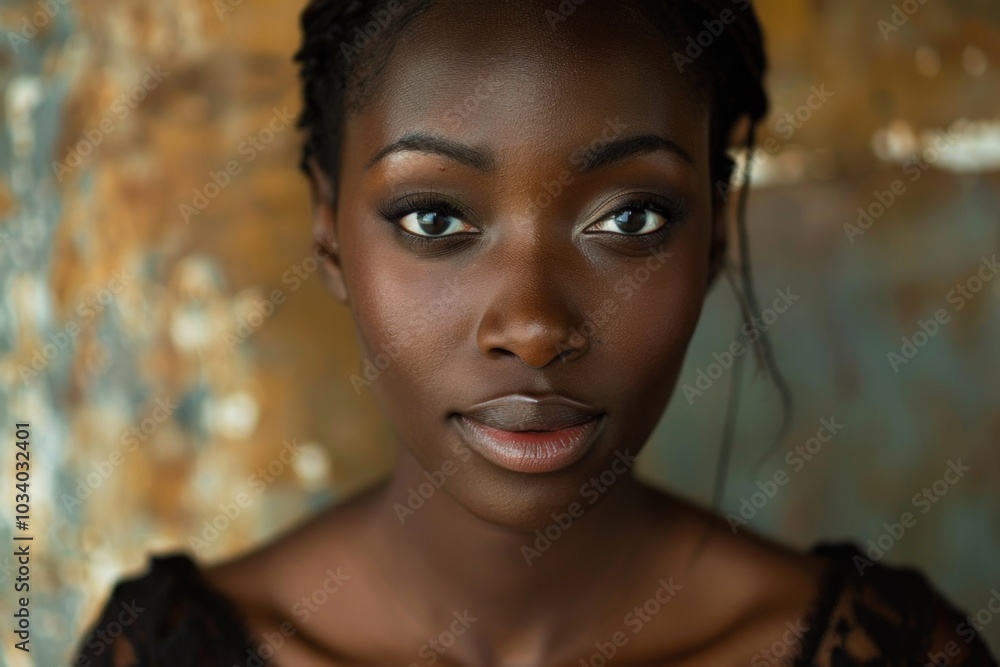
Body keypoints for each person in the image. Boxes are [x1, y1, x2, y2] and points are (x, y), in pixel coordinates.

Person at [72, 0, 999, 665]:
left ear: (714, 228)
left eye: (631, 219)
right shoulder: (165, 653)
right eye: (436, 219)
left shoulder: (889, 652)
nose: (533, 327)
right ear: (327, 230)